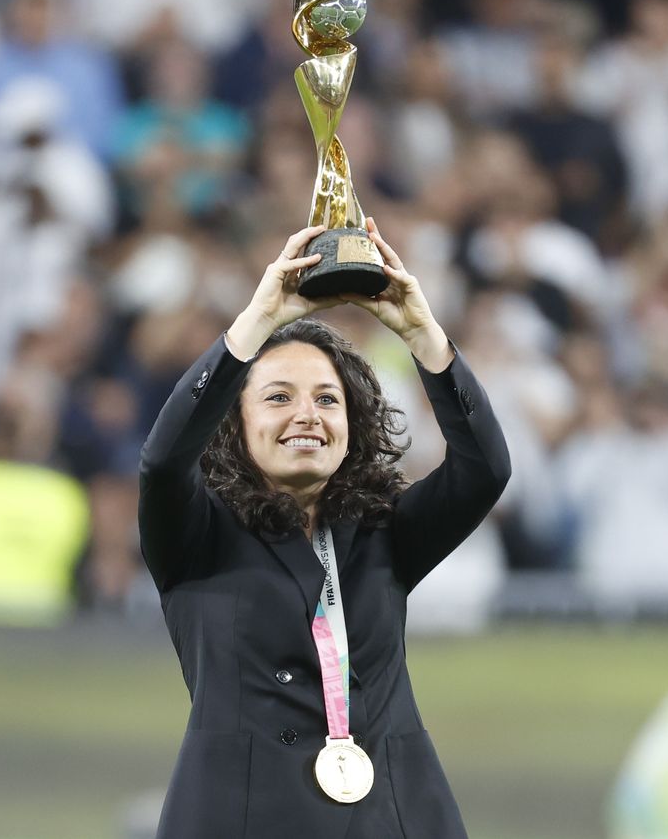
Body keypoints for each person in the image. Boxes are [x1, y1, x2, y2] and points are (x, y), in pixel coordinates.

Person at [139, 219, 511, 838]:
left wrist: (422, 333)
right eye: (278, 397)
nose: (306, 415)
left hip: (390, 817)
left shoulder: (384, 533)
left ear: (351, 425)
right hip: (245, 820)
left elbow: (484, 469)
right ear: (235, 426)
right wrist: (257, 320)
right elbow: (162, 460)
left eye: (327, 399)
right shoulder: (195, 535)